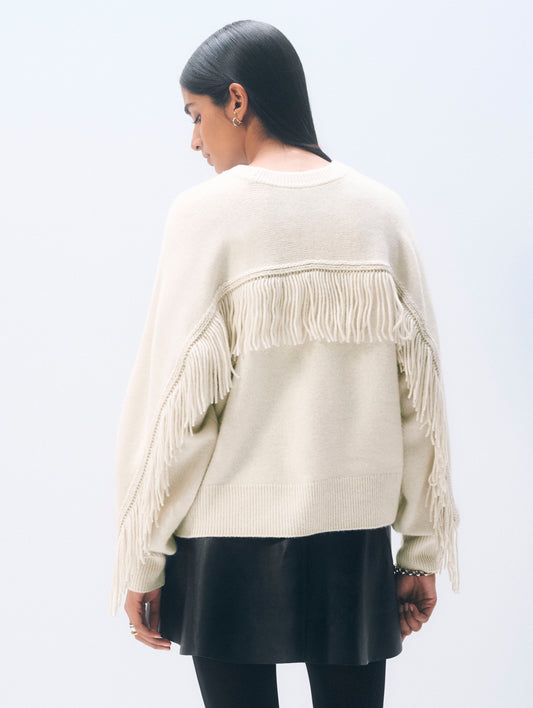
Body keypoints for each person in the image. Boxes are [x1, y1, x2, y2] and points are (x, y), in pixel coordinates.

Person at [110, 19, 460, 708]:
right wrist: (419, 551)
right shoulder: (380, 214)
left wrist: (142, 558)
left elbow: (174, 409)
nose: (193, 141)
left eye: (196, 115)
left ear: (237, 101)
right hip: (352, 542)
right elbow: (419, 400)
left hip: (225, 545)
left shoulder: (205, 217)